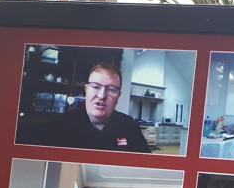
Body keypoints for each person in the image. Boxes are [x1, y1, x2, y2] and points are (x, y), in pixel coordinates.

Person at [22, 62, 151, 153]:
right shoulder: (59, 125)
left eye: (111, 89)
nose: (101, 96)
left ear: (118, 96)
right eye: (95, 87)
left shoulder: (129, 126)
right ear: (86, 90)